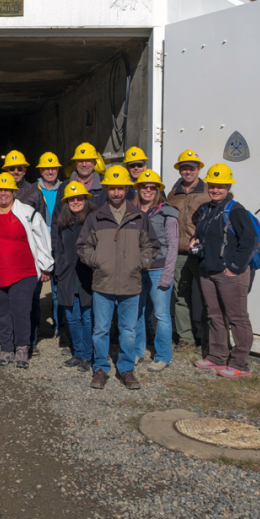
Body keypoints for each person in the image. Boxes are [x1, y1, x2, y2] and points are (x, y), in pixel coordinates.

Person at [76, 165, 156, 390]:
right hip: (102, 283)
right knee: (100, 329)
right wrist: (98, 262)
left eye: (120, 188)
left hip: (130, 284)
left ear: (127, 189)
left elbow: (152, 246)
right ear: (107, 190)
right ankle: (100, 368)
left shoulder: (139, 217)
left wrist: (138, 264)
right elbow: (82, 246)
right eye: (112, 189)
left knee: (128, 330)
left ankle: (127, 369)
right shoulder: (96, 217)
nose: (116, 193)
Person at [191, 164, 259, 378]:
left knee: (237, 317)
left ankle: (240, 364)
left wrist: (235, 267)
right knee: (215, 316)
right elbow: (206, 235)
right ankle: (217, 357)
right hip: (208, 271)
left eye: (220, 186)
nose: (215, 190)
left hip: (229, 273)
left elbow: (250, 240)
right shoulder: (207, 209)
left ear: (228, 186)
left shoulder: (236, 210)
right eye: (212, 185)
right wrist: (196, 241)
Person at [0, 172, 53, 369]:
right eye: (0, 190)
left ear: (14, 192)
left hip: (23, 273)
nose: (3, 193)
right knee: (1, 313)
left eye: (7, 189)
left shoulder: (27, 212)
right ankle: (6, 348)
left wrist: (45, 266)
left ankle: (22, 348)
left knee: (21, 311)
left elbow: (42, 239)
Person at [133, 170, 178, 371]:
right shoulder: (131, 210)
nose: (149, 190)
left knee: (161, 315)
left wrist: (168, 274)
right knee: (137, 312)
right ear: (139, 188)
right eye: (145, 186)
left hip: (159, 269)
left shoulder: (167, 212)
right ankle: (137, 351)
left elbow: (173, 245)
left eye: (153, 187)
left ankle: (162, 356)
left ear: (158, 190)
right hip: (136, 270)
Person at [166, 149, 210, 350]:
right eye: (184, 168)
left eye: (191, 168)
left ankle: (208, 338)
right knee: (181, 296)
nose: (187, 171)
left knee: (206, 297)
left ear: (198, 169)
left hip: (201, 253)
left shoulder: (208, 191)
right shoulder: (173, 193)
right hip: (179, 253)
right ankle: (186, 338)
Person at [52, 180, 95, 372]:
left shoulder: (93, 220)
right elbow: (58, 248)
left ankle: (88, 355)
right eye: (72, 199)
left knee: (87, 318)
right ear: (66, 202)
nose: (76, 201)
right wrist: (59, 268)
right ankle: (77, 353)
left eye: (79, 198)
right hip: (68, 276)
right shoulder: (63, 222)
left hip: (87, 276)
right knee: (72, 318)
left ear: (85, 200)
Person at [34, 152, 66, 346]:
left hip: (59, 241)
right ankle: (33, 329)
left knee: (58, 289)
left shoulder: (64, 189)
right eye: (46, 168)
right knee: (35, 289)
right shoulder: (32, 189)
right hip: (38, 244)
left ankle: (59, 326)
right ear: (40, 170)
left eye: (53, 168)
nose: (50, 171)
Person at [67, 143, 106, 209]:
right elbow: (59, 216)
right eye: (80, 161)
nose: (84, 164)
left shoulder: (105, 186)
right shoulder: (64, 187)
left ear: (95, 163)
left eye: (88, 161)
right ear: (75, 163)